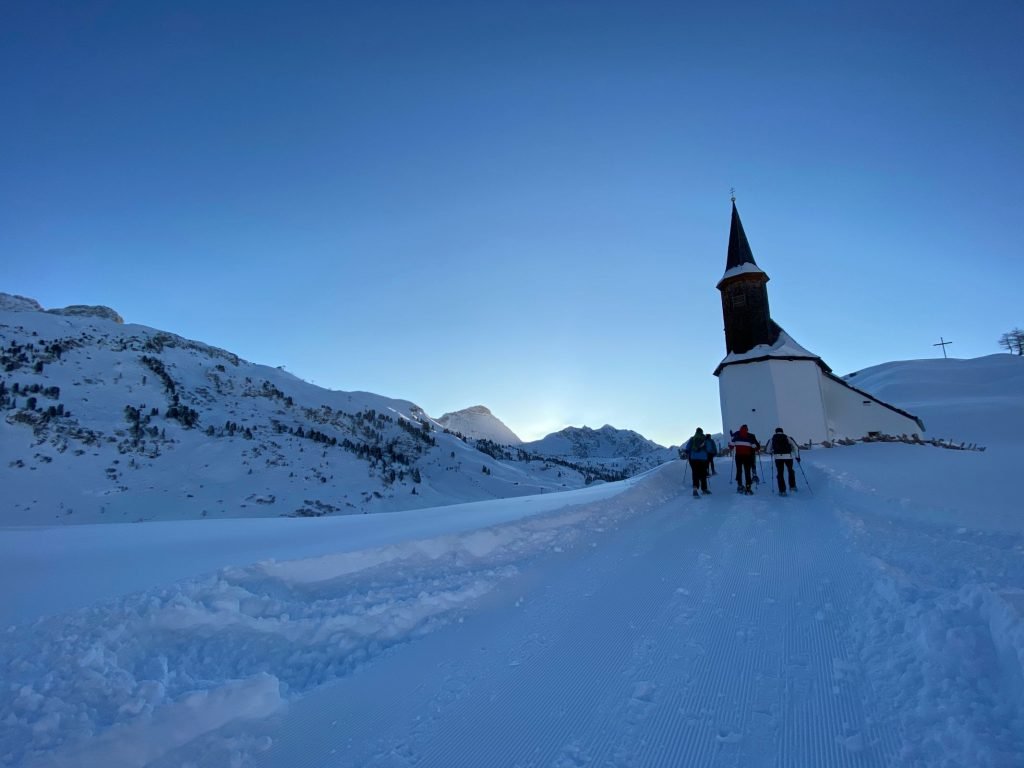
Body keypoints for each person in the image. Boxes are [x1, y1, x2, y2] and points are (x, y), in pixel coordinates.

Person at [680, 427, 713, 497]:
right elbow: (709, 449)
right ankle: (704, 489)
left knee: (695, 473)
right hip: (703, 459)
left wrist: (688, 452)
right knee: (703, 473)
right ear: (702, 432)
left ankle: (695, 489)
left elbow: (687, 448)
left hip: (693, 458)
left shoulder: (692, 438)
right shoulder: (705, 439)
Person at [728, 424, 760, 494]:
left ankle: (739, 486)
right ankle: (748, 488)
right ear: (747, 429)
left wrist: (731, 443)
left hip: (738, 456)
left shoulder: (736, 436)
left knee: (739, 471)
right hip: (747, 457)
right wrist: (756, 448)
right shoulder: (749, 437)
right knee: (747, 472)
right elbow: (755, 447)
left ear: (740, 429)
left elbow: (731, 447)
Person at [769, 427, 800, 495]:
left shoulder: (773, 438)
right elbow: (796, 447)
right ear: (782, 431)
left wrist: (772, 451)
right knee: (790, 470)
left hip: (778, 457)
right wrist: (797, 457)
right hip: (788, 457)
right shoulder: (787, 437)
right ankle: (792, 486)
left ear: (776, 432)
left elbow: (768, 450)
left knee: (780, 473)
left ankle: (782, 490)